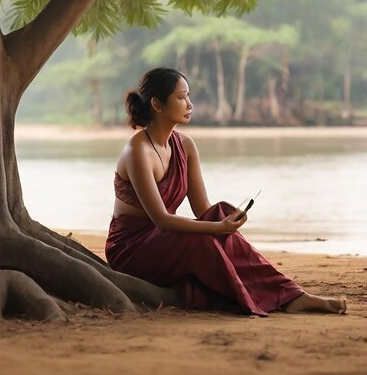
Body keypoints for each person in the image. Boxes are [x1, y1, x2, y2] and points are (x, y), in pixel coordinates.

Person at [105, 67, 347, 316]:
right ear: (157, 104)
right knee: (205, 239)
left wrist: (226, 222)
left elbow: (203, 210)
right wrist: (216, 228)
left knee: (221, 211)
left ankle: (293, 295)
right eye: (181, 97)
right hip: (132, 249)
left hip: (166, 241)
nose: (190, 104)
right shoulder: (138, 151)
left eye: (188, 96)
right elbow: (162, 220)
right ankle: (264, 298)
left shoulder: (185, 145)